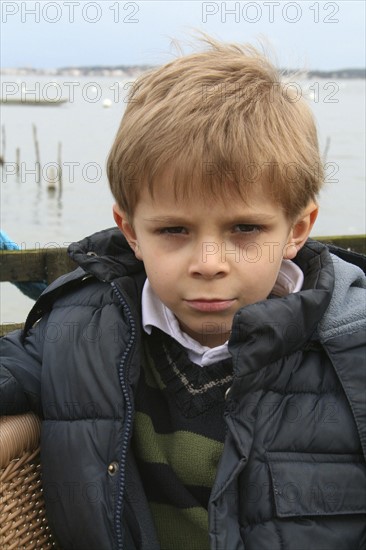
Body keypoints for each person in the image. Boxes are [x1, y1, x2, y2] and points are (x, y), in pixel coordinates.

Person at [1, 36, 365, 550]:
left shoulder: (354, 351)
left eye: (244, 229)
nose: (209, 264)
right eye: (174, 230)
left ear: (297, 229)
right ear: (130, 232)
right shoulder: (75, 333)